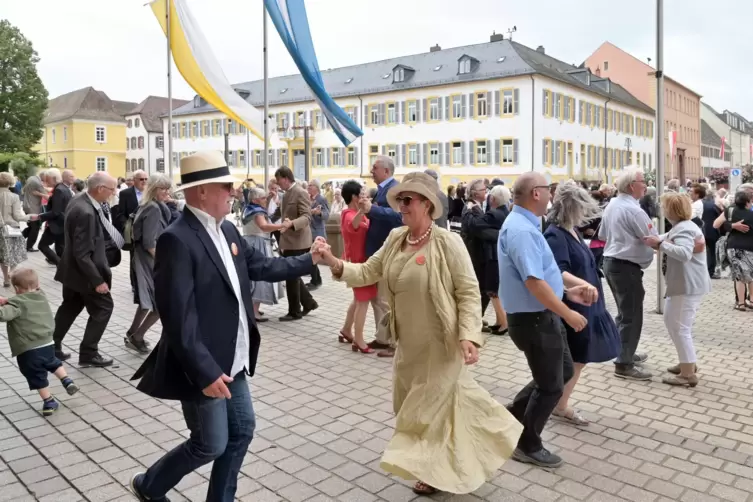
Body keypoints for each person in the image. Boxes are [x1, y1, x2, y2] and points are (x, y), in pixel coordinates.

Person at [314, 172, 523, 495]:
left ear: (427, 205)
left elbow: (468, 292)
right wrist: (332, 261)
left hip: (442, 344)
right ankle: (476, 450)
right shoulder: (397, 238)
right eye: (399, 200)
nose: (401, 206)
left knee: (427, 412)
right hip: (407, 346)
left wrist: (469, 335)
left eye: (407, 200)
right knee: (424, 406)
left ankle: (432, 471)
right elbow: (369, 271)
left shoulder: (448, 242)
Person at [129, 151, 318, 502]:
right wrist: (204, 372)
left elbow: (260, 266)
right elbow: (177, 317)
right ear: (202, 191)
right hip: (205, 366)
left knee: (242, 431)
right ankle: (149, 485)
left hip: (235, 359)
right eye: (226, 186)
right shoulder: (177, 239)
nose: (233, 192)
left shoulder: (227, 228)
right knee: (209, 444)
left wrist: (310, 259)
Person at [499, 172, 596, 468]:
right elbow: (533, 282)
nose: (552, 196)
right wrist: (568, 313)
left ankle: (511, 417)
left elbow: (543, 274)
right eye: (548, 190)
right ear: (536, 194)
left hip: (541, 316)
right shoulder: (523, 230)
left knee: (561, 372)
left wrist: (568, 292)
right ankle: (528, 443)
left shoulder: (526, 225)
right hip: (535, 320)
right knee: (551, 385)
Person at [543, 183, 620, 426]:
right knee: (577, 356)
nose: (584, 214)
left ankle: (560, 402)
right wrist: (583, 284)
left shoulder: (572, 230)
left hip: (588, 300)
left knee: (580, 356)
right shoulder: (556, 234)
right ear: (570, 208)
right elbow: (557, 270)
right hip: (576, 301)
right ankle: (560, 404)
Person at [52, 172, 121, 368]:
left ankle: (52, 346)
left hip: (72, 271)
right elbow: (83, 253)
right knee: (103, 308)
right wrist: (98, 281)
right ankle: (89, 352)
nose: (113, 192)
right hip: (85, 273)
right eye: (111, 188)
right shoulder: (86, 212)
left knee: (70, 306)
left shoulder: (79, 200)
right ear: (100, 189)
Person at [643, 192, 710, 387]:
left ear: (672, 210)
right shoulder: (681, 227)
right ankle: (686, 362)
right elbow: (663, 238)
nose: (662, 210)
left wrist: (661, 244)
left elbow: (684, 253)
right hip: (683, 285)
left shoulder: (683, 229)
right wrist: (657, 240)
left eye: (664, 207)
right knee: (673, 322)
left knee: (680, 328)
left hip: (687, 286)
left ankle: (688, 373)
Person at [599, 169, 655, 381]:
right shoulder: (634, 211)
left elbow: (603, 234)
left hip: (612, 263)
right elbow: (652, 238)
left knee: (624, 313)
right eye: (643, 182)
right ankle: (624, 363)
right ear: (632, 185)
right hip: (625, 267)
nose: (646, 185)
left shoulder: (613, 204)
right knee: (631, 315)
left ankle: (624, 352)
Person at [0, 268, 79, 416]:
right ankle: (66, 380)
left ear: (16, 288)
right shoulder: (41, 296)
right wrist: (8, 301)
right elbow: (26, 298)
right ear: (38, 284)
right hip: (47, 342)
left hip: (28, 348)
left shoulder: (16, 304)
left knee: (36, 373)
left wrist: (4, 303)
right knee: (52, 362)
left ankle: (49, 401)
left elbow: (4, 315)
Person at [125, 174, 176, 354]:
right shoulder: (153, 208)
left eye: (167, 188)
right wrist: (163, 261)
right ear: (154, 189)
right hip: (150, 260)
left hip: (144, 258)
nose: (166, 192)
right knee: (160, 304)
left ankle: (133, 333)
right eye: (162, 188)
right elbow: (149, 243)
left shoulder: (149, 205)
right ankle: (136, 337)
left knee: (148, 301)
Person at [360, 156, 403, 357]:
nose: (371, 170)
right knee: (377, 299)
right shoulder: (383, 189)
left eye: (375, 167)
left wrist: (373, 209)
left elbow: (399, 217)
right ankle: (382, 337)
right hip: (378, 250)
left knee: (385, 300)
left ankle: (394, 343)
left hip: (387, 250)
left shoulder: (395, 189)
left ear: (386, 171)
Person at [461, 184, 510, 335]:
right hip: (488, 256)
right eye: (484, 190)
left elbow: (475, 226)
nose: (486, 193)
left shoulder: (494, 213)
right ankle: (499, 321)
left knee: (491, 290)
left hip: (491, 257)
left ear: (494, 198)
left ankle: (503, 323)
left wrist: (469, 210)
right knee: (491, 290)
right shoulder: (502, 211)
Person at [338, 180, 378, 353]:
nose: (363, 196)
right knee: (363, 301)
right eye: (361, 194)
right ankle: (359, 339)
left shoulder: (355, 212)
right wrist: (362, 210)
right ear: (354, 197)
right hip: (358, 263)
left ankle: (347, 329)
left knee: (358, 300)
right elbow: (353, 224)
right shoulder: (348, 214)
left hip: (363, 261)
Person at [273, 166, 318, 321]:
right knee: (293, 274)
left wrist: (291, 223)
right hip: (289, 240)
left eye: (279, 181)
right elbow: (281, 213)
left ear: (286, 178)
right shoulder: (286, 194)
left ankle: (295, 311)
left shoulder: (300, 192)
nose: (278, 185)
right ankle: (309, 303)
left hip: (298, 241)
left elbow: (307, 217)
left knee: (291, 276)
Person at [242, 187, 283, 322]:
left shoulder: (248, 208)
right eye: (263, 198)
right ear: (255, 200)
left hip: (250, 241)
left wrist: (269, 197)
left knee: (252, 277)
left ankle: (253, 309)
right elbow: (264, 226)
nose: (266, 200)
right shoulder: (257, 212)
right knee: (259, 276)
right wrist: (282, 225)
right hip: (258, 243)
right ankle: (254, 312)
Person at [714, 190, 753, 311]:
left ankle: (740, 303)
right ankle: (751, 300)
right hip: (750, 247)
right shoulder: (751, 214)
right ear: (747, 202)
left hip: (734, 246)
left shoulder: (729, 211)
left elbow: (716, 224)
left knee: (739, 275)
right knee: (751, 274)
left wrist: (732, 226)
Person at [0, 173, 38, 287]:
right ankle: (11, 273)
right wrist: (30, 216)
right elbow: (17, 216)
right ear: (10, 182)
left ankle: (6, 279)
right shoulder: (14, 197)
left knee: (3, 255)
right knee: (15, 253)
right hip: (12, 229)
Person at [37, 168, 74, 266]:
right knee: (60, 249)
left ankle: (61, 267)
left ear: (53, 178)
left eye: (46, 179)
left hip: (57, 225)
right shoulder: (64, 188)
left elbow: (56, 212)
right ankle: (64, 272)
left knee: (43, 245)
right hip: (63, 224)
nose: (45, 181)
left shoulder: (59, 190)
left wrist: (39, 217)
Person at [307, 179, 330, 290]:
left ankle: (316, 280)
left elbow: (326, 215)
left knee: (313, 257)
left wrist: (319, 212)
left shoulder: (321, 199)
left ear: (316, 187)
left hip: (317, 232)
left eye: (311, 185)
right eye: (308, 185)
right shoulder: (308, 198)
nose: (308, 187)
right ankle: (315, 279)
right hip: (308, 232)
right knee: (311, 257)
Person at [22, 169, 46, 252]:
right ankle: (29, 246)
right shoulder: (37, 183)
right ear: (43, 176)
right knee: (35, 227)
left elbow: (24, 189)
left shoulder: (31, 178)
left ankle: (19, 239)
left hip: (27, 206)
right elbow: (45, 193)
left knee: (31, 226)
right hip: (33, 208)